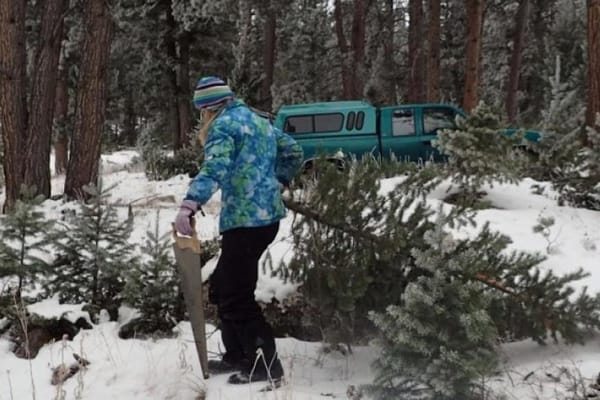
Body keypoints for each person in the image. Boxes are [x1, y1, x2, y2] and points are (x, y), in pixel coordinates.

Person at [173, 76, 303, 385]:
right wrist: (279, 181)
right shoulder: (257, 121)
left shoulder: (223, 127)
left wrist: (190, 203)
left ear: (207, 109)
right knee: (222, 285)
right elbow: (294, 150)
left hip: (247, 222)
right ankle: (237, 354)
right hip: (265, 219)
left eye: (201, 112)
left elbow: (214, 168)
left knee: (235, 294)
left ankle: (264, 364)